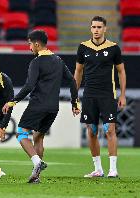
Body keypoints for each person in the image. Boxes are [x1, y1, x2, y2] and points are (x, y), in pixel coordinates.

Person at [2, 30, 80, 183]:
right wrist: (74, 102)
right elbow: (72, 81)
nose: (29, 47)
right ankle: (36, 177)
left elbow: (29, 85)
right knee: (38, 137)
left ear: (37, 44)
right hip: (53, 107)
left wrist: (13, 101)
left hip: (38, 104)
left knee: (21, 134)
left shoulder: (36, 62)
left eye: (30, 44)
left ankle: (37, 162)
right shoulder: (58, 60)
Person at [74, 16, 126, 178]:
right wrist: (74, 97)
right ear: (91, 29)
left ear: (105, 29)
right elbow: (78, 72)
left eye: (99, 27)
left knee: (110, 129)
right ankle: (98, 169)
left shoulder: (113, 48)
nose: (96, 30)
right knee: (92, 131)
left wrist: (122, 95)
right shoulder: (83, 47)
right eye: (93, 27)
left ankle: (113, 169)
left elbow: (121, 71)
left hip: (107, 95)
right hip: (89, 94)